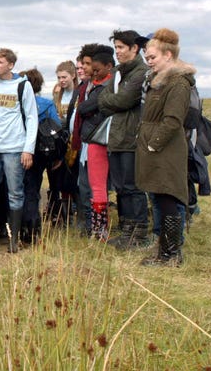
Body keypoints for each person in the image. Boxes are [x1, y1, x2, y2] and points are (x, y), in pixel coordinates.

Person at [137, 28, 195, 266]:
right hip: (155, 149)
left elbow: (173, 120)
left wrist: (153, 144)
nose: (148, 62)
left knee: (169, 199)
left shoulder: (178, 83)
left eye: (152, 58)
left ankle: (171, 255)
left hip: (166, 150)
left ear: (168, 55)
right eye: (147, 58)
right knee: (160, 199)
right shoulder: (158, 80)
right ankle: (165, 251)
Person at [0, 48, 38, 253]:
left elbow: (31, 117)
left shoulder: (23, 86)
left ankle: (14, 239)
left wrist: (28, 149)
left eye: (0, 61)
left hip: (14, 148)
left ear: (10, 65)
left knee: (15, 193)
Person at [98, 29, 150, 250]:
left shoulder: (141, 72)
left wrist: (114, 100)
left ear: (134, 48)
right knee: (120, 187)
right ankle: (126, 229)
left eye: (121, 47)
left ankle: (138, 233)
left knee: (132, 186)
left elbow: (123, 100)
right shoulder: (119, 72)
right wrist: (114, 100)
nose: (117, 52)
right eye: (116, 47)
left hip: (131, 138)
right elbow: (103, 99)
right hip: (116, 137)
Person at [18, 68, 60, 243]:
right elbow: (56, 129)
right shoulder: (45, 103)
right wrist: (57, 156)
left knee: (16, 189)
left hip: (16, 147)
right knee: (32, 190)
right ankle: (33, 230)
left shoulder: (16, 103)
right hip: (40, 151)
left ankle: (16, 228)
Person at [77, 47, 115, 241]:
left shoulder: (107, 87)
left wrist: (86, 108)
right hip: (93, 139)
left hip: (100, 138)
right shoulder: (94, 86)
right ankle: (98, 229)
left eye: (96, 68)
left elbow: (84, 108)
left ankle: (100, 229)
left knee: (99, 186)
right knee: (96, 186)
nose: (93, 71)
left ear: (109, 67)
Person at [46, 60, 78, 224]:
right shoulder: (57, 95)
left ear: (73, 76)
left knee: (73, 178)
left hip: (73, 140)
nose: (62, 80)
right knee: (58, 178)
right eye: (59, 77)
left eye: (64, 77)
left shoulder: (78, 94)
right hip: (59, 140)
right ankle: (61, 213)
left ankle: (74, 210)